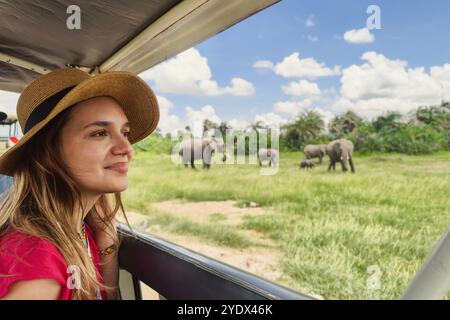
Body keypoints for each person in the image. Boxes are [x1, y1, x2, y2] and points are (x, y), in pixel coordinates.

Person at [0, 68, 159, 299]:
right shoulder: (34, 257)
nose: (127, 148)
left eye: (125, 132)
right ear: (49, 152)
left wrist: (107, 243)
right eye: (100, 133)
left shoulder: (79, 231)